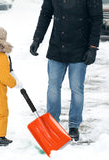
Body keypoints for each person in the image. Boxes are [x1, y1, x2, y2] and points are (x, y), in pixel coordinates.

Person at [30, 0, 103, 141]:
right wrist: (37, 39)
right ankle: (52, 124)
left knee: (76, 89)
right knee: (53, 87)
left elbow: (96, 19)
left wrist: (93, 47)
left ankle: (74, 126)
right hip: (57, 47)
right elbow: (45, 14)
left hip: (80, 49)